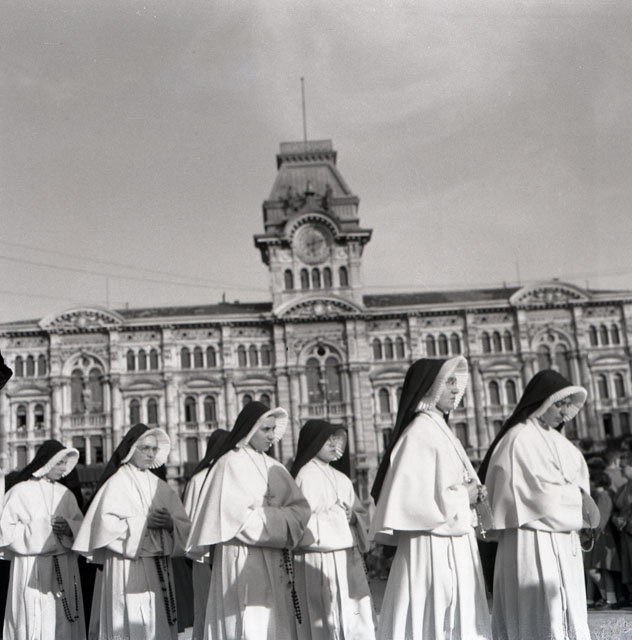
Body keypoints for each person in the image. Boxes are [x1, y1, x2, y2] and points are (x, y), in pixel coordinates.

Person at [370, 356, 491, 640]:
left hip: (454, 539)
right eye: (449, 382)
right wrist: (464, 495)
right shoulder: (419, 433)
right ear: (430, 387)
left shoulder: (442, 430)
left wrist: (473, 494)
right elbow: (414, 501)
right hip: (430, 544)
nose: (456, 389)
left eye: (456, 383)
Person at [479, 369, 596, 640]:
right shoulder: (518, 438)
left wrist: (582, 503)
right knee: (536, 617)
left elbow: (580, 484)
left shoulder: (560, 441)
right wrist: (576, 501)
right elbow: (533, 495)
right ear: (543, 401)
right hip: (531, 540)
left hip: (564, 540)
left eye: (567, 405)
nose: (564, 411)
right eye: (559, 404)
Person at [187, 401, 311, 640]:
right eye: (266, 429)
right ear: (250, 429)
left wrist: (270, 515)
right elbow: (237, 518)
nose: (272, 436)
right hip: (241, 557)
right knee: (246, 624)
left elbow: (301, 510)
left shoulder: (276, 467)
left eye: (273, 429)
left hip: (275, 559)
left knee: (275, 625)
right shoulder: (228, 464)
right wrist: (280, 518)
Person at [73, 423, 191, 640]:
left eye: (154, 449)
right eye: (145, 448)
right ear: (131, 449)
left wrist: (170, 523)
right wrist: (143, 523)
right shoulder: (116, 483)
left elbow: (184, 525)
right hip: (127, 566)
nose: (150, 454)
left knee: (158, 624)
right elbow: (105, 526)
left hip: (159, 566)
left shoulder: (160, 486)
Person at [290, 419, 376, 639]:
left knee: (355, 618)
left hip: (347, 559)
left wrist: (353, 517)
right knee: (326, 619)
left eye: (335, 439)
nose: (333, 443)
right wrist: (338, 517)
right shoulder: (306, 475)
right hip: (320, 559)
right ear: (313, 442)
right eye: (326, 439)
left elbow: (360, 513)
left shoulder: (342, 479)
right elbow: (301, 521)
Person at [0, 440, 85, 640]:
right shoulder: (20, 491)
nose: (63, 468)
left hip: (63, 566)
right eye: (59, 463)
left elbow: (82, 526)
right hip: (31, 566)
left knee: (61, 622)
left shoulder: (66, 494)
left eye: (65, 463)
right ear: (47, 462)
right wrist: (43, 529)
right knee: (32, 619)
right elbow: (5, 531)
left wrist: (69, 528)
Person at [182, 429, 230, 640]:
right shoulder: (198, 480)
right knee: (206, 608)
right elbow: (188, 522)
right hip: (204, 557)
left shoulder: (233, 476)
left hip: (228, 555)